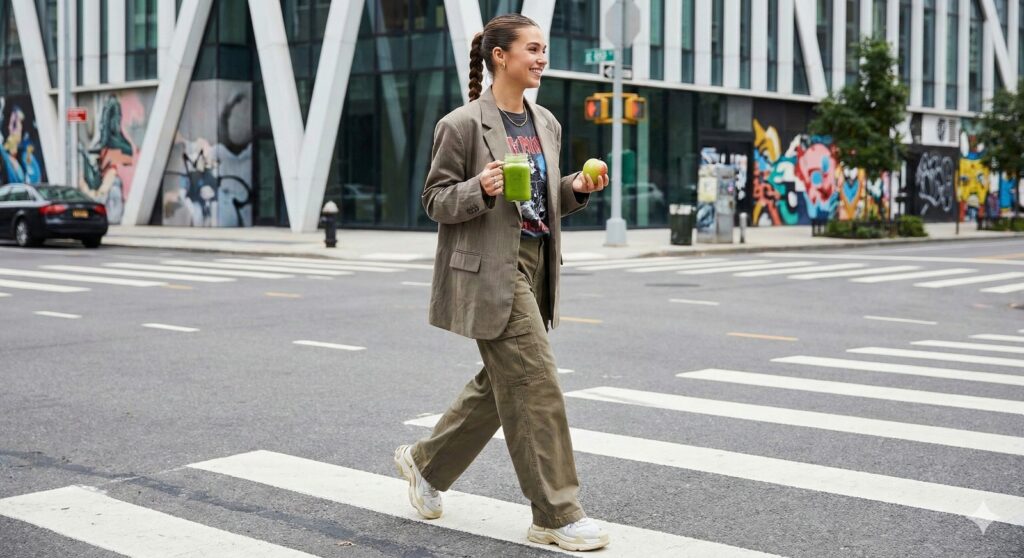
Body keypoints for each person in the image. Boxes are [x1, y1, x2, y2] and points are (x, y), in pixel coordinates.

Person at [393, 13, 610, 553]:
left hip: (537, 264)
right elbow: (435, 200)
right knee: (536, 382)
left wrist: (576, 187)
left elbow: (542, 204)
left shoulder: (547, 124)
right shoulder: (462, 124)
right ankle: (555, 515)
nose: (542, 57)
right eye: (533, 48)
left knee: (502, 384)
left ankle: (425, 463)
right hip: (492, 269)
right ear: (500, 57)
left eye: (544, 49)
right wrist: (478, 188)